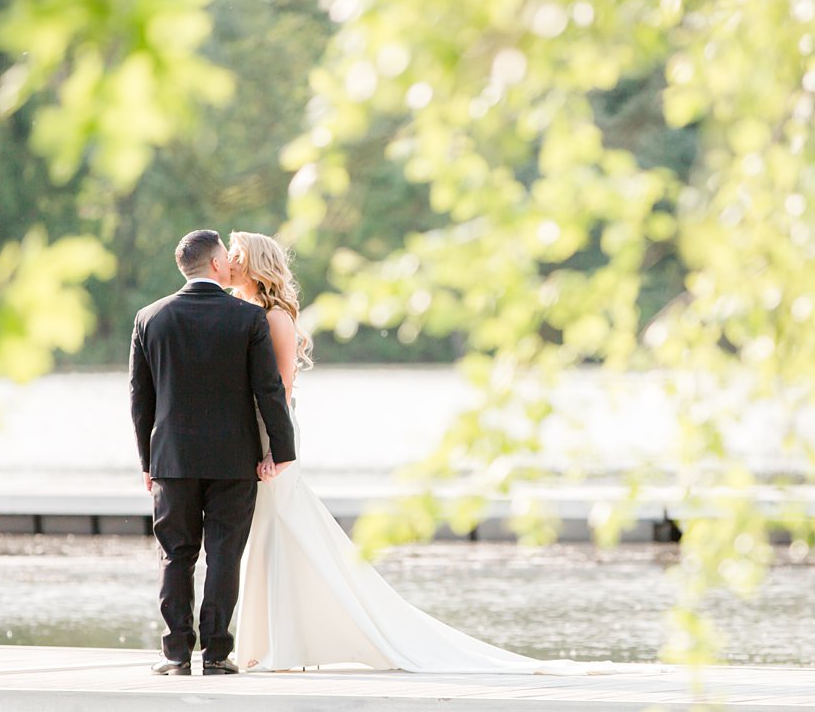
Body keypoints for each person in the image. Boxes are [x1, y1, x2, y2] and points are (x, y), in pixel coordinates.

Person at [223, 231, 550, 672]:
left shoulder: (275, 317)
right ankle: (274, 642)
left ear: (258, 263)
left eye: (239, 255)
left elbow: (279, 387)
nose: (231, 262)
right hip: (254, 430)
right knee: (268, 530)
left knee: (278, 526)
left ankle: (284, 644)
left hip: (272, 432)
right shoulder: (242, 313)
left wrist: (273, 450)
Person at [129, 229, 296, 676]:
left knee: (176, 554)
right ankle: (217, 653)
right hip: (233, 458)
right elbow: (268, 391)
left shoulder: (150, 318)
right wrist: (282, 451)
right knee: (224, 554)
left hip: (173, 460)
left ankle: (176, 652)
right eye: (227, 256)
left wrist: (148, 463)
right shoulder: (246, 319)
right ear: (218, 264)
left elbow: (139, 399)